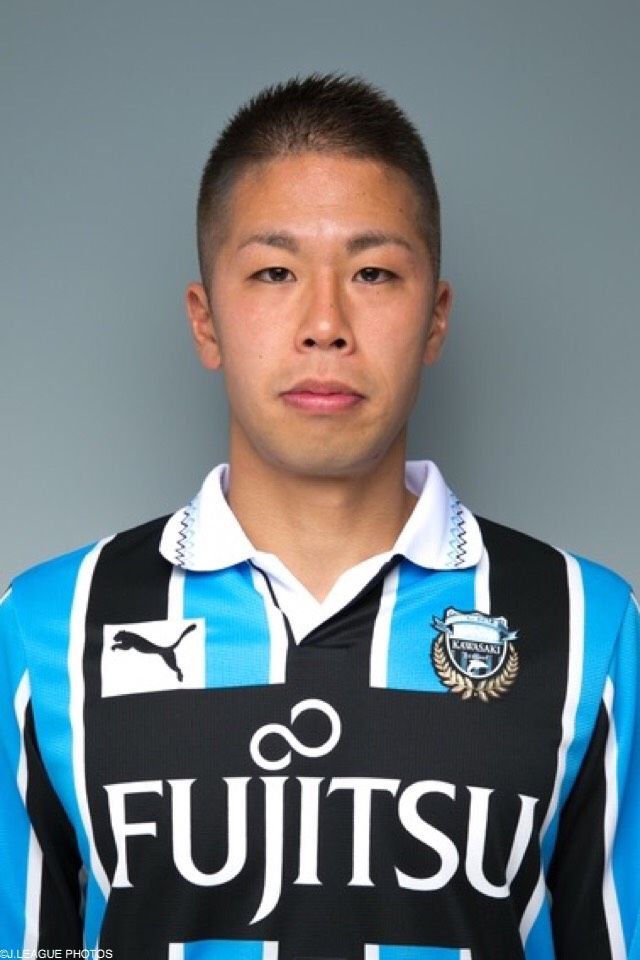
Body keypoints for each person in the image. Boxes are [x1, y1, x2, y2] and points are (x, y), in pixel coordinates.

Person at [0, 73, 638, 960]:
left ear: (435, 319)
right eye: (275, 272)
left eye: (374, 272)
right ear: (205, 322)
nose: (325, 324)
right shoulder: (46, 628)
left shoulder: (588, 626)